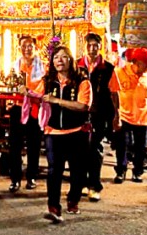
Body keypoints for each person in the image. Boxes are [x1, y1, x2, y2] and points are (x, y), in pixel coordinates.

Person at [40, 46, 92, 223]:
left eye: (63, 57)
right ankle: (53, 206)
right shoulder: (47, 81)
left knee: (78, 171)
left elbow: (82, 105)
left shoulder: (82, 82)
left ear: (71, 60)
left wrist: (56, 101)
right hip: (53, 132)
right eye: (56, 58)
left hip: (76, 132)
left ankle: (73, 200)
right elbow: (37, 96)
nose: (59, 60)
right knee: (54, 170)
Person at [76, 33, 115, 202]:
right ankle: (82, 183)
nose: (92, 49)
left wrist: (116, 116)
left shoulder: (108, 68)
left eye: (95, 46)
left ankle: (95, 185)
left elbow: (114, 94)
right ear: (84, 46)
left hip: (99, 114)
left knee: (94, 148)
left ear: (100, 47)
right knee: (80, 149)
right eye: (89, 45)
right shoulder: (77, 66)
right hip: (79, 114)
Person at [110, 47, 147, 184]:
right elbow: (113, 95)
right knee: (122, 145)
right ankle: (121, 171)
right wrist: (115, 115)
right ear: (136, 62)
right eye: (146, 64)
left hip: (143, 117)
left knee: (141, 147)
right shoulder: (119, 73)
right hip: (123, 115)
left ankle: (138, 171)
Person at [7, 35, 45, 193]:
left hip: (34, 108)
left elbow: (42, 89)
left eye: (30, 46)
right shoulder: (15, 66)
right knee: (14, 145)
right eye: (23, 46)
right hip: (18, 108)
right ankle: (15, 179)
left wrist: (29, 93)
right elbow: (11, 86)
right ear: (19, 48)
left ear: (35, 48)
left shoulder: (43, 67)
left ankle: (31, 176)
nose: (27, 49)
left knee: (33, 145)